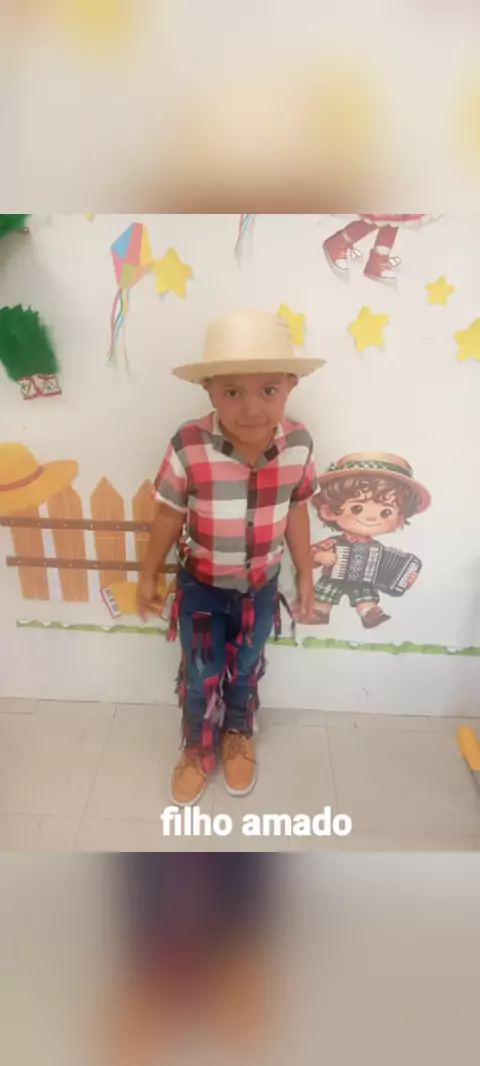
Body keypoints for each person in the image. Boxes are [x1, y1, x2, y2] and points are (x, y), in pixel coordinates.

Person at [138, 308, 324, 806]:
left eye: (269, 390)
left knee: (246, 665)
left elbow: (297, 509)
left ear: (291, 386)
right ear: (209, 391)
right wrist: (148, 573)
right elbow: (168, 514)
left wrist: (305, 574)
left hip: (260, 588)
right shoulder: (189, 444)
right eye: (233, 392)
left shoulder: (299, 444)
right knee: (201, 672)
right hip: (200, 587)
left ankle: (237, 731)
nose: (251, 408)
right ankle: (197, 745)